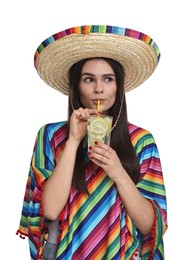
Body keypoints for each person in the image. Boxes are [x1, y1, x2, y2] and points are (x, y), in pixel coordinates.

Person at [16, 25, 167, 260]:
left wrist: (117, 171)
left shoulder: (140, 140)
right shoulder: (50, 135)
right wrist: (74, 141)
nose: (99, 89)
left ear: (119, 86)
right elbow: (51, 210)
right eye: (89, 79)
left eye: (108, 79)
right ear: (77, 85)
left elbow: (150, 225)